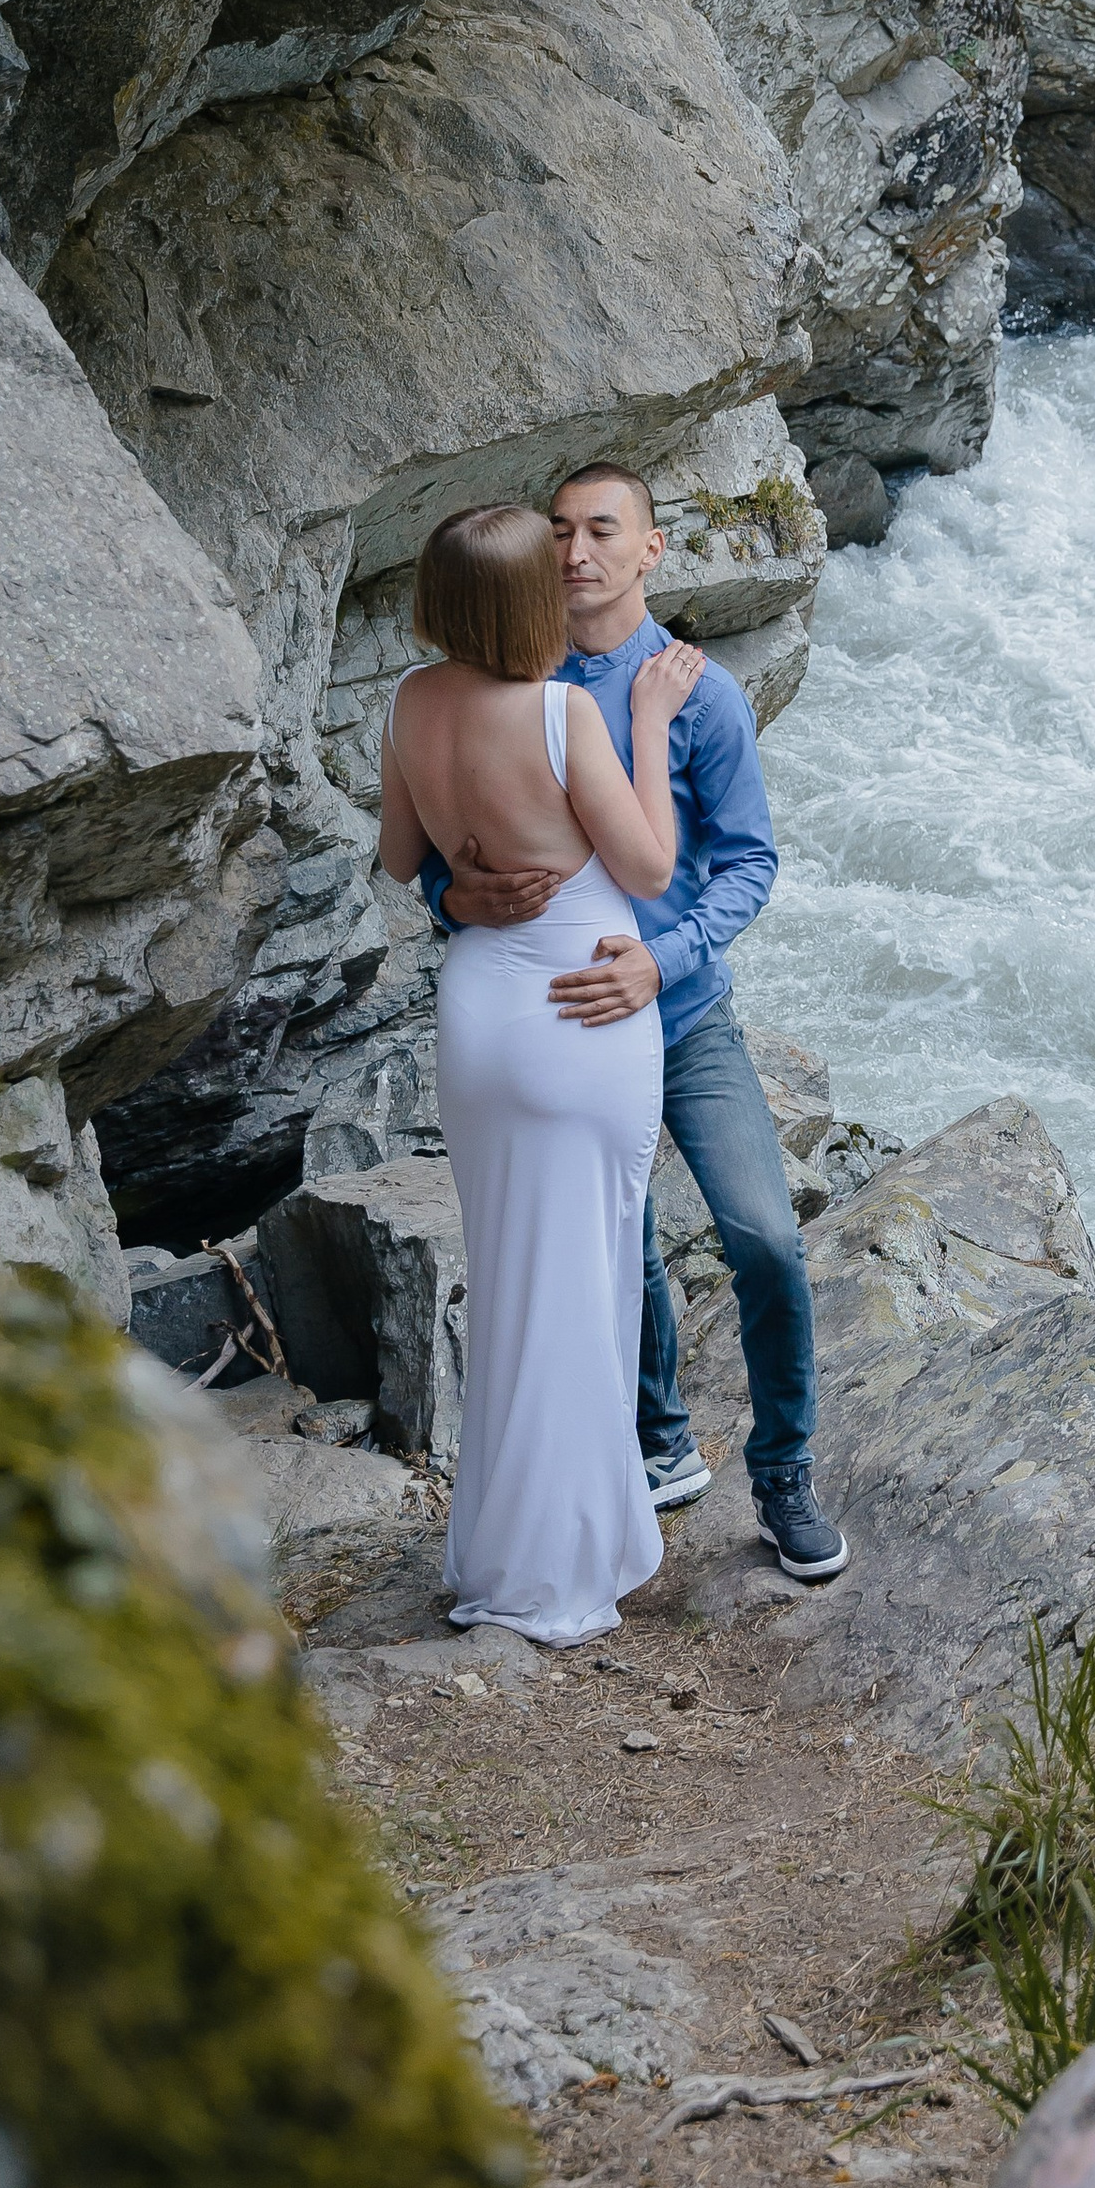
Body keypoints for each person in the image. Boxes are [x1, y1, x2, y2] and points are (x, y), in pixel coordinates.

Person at [420, 462, 849, 1586]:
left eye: (602, 530)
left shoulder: (693, 693)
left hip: (681, 1010)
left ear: (652, 549)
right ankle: (655, 1443)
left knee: (762, 1232)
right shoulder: (512, 680)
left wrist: (660, 963)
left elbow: (750, 863)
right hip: (558, 1014)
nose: (575, 552)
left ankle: (786, 1471)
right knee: (612, 1239)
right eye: (556, 530)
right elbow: (437, 861)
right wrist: (454, 900)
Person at [377, 502, 702, 1648]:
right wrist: (652, 723)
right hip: (583, 1006)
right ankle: (559, 1567)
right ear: (522, 604)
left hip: (480, 1010)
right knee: (586, 1283)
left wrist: (471, 889)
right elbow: (651, 863)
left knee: (516, 1281)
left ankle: (520, 1545)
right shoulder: (565, 711)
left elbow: (400, 859)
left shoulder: (412, 703)